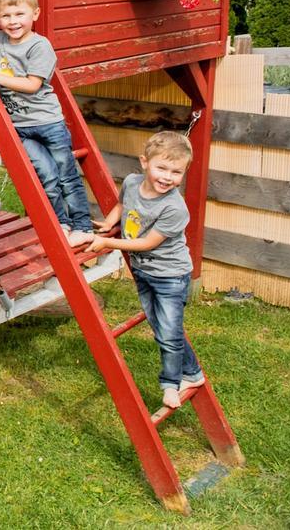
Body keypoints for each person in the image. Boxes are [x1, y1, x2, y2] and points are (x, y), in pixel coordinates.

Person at [83, 132, 205, 409]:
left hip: (171, 276)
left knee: (169, 334)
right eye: (162, 168)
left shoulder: (174, 207)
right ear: (144, 163)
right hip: (144, 272)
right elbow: (123, 204)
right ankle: (194, 373)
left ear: (184, 173)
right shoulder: (132, 182)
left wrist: (107, 242)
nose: (167, 177)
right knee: (161, 328)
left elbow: (147, 243)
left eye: (176, 172)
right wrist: (108, 222)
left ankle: (171, 384)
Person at [0, 0, 92, 245]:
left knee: (66, 177)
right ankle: (62, 223)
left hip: (48, 123)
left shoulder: (40, 46)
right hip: (19, 127)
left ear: (34, 14)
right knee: (46, 177)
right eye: (6, 16)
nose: (13, 21)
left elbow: (32, 85)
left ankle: (83, 226)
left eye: (19, 14)